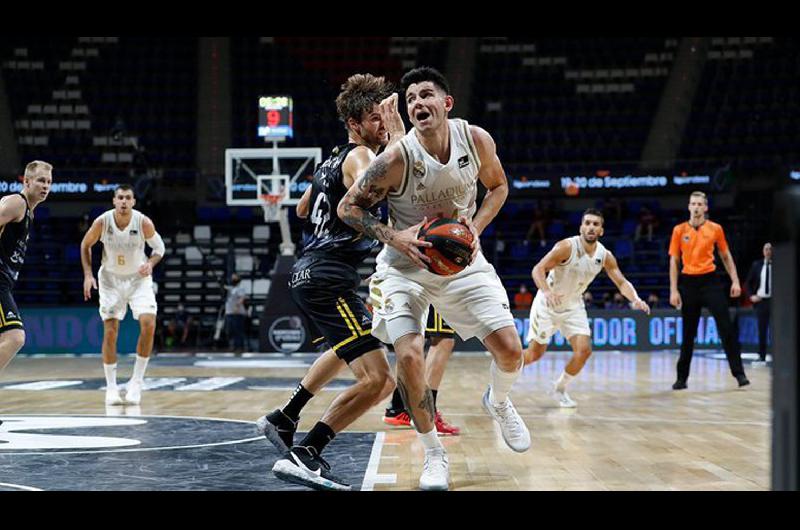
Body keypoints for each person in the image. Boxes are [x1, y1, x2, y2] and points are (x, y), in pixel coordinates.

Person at [338, 66, 530, 491]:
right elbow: (348, 209)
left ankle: (498, 401)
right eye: (410, 99)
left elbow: (498, 188)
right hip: (405, 266)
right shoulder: (395, 159)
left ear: (447, 103)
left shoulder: (476, 140)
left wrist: (475, 229)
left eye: (426, 95)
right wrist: (395, 236)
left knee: (512, 352)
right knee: (409, 358)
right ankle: (434, 455)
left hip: (459, 259)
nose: (417, 103)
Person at [257, 74, 401, 491]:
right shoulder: (358, 156)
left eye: (382, 119)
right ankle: (307, 453)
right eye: (374, 119)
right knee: (379, 380)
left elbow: (303, 209)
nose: (381, 125)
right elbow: (360, 193)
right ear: (355, 125)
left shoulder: (328, 160)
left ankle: (284, 417)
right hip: (328, 274)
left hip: (309, 271)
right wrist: (394, 148)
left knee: (350, 346)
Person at [523, 209, 650, 407]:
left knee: (584, 351)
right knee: (533, 355)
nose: (591, 227)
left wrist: (635, 299)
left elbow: (622, 282)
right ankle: (502, 375)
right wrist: (547, 291)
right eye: (588, 223)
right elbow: (538, 269)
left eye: (595, 224)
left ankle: (560, 388)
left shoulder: (604, 255)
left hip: (573, 305)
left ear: (601, 230)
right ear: (581, 227)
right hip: (548, 305)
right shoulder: (566, 247)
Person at [81, 184, 165, 406]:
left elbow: (160, 249)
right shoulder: (102, 222)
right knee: (110, 331)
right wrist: (88, 274)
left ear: (133, 202)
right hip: (110, 279)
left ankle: (136, 382)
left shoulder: (143, 222)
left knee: (149, 324)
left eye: (128, 198)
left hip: (138, 279)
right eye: (120, 198)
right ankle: (111, 387)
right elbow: (85, 245)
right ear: (114, 201)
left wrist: (150, 262)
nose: (124, 201)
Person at [668, 191, 749, 390]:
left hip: (710, 281)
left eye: (699, 204)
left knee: (726, 328)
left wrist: (735, 281)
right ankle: (681, 378)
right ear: (688, 206)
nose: (696, 207)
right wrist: (673, 290)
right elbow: (674, 261)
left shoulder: (715, 229)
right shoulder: (679, 230)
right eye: (693, 203)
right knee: (688, 333)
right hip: (688, 283)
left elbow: (726, 256)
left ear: (706, 208)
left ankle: (739, 374)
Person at [0, 161, 52, 427]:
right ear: (26, 182)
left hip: (5, 283)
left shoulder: (28, 213)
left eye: (48, 182)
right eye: (40, 180)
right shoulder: (16, 203)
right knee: (15, 337)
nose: (45, 186)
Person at [383, 306, 460, 435]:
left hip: (409, 288)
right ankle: (428, 414)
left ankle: (399, 407)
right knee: (443, 339)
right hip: (435, 288)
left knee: (412, 341)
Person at [746, 242, 772, 365]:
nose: (768, 251)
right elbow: (748, 283)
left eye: (770, 249)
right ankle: (761, 356)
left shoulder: (779, 265)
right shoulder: (757, 265)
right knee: (762, 329)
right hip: (761, 301)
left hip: (774, 302)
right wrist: (751, 296)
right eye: (766, 249)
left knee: (775, 330)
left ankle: (776, 355)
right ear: (763, 251)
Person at [224, 273, 248, 353]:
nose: (233, 279)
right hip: (229, 312)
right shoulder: (231, 288)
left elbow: (242, 298)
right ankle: (232, 345)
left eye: (234, 277)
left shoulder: (240, 288)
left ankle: (239, 347)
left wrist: (237, 306)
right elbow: (225, 288)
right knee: (230, 330)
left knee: (238, 331)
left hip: (237, 313)